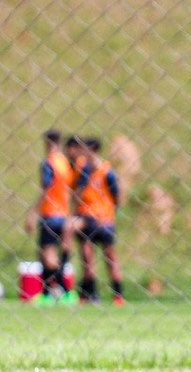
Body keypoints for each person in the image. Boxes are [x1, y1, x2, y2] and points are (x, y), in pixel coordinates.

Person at [23, 129, 77, 306]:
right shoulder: (66, 164)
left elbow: (45, 189)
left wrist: (32, 214)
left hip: (49, 214)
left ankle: (61, 292)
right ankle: (50, 293)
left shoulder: (49, 163)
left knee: (47, 255)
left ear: (47, 143)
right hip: (64, 214)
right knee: (52, 254)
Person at [71, 137, 124, 306]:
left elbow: (117, 196)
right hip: (87, 218)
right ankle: (91, 295)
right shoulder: (83, 170)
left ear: (93, 150)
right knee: (87, 259)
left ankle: (118, 296)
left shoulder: (107, 171)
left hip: (104, 220)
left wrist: (109, 211)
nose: (82, 154)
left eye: (85, 150)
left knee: (111, 259)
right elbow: (75, 195)